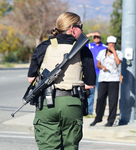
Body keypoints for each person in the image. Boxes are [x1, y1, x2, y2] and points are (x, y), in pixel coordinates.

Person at [28, 12, 96, 150]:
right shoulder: (83, 49)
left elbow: (31, 79)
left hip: (46, 104)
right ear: (72, 28)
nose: (82, 30)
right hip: (72, 103)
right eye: (80, 26)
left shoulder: (44, 46)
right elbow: (90, 84)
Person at [90, 36, 123, 127]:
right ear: (107, 44)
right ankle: (98, 118)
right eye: (110, 43)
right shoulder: (102, 52)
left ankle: (111, 120)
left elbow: (117, 63)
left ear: (115, 44)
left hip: (114, 79)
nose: (111, 45)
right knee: (100, 99)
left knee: (112, 100)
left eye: (113, 43)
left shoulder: (119, 53)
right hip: (103, 79)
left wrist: (114, 52)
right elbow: (98, 64)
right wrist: (102, 67)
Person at [86, 31, 106, 116]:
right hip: (91, 73)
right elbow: (80, 40)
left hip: (101, 73)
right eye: (95, 37)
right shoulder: (90, 45)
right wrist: (90, 34)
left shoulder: (105, 47)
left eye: (98, 37)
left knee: (101, 94)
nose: (96, 38)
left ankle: (99, 112)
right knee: (90, 93)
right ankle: (89, 112)